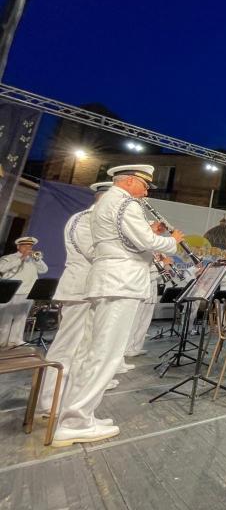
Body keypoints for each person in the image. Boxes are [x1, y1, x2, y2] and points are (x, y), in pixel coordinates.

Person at [53, 165, 182, 447]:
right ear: (131, 182)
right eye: (145, 186)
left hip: (107, 280)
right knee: (105, 353)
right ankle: (75, 421)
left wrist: (148, 233)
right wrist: (172, 241)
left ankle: (77, 414)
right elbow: (145, 243)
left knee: (91, 351)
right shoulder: (126, 203)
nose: (146, 191)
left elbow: (123, 241)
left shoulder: (106, 204)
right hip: (120, 282)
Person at [37, 182, 112, 414]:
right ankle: (49, 399)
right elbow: (96, 253)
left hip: (90, 288)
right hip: (81, 288)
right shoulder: (88, 219)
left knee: (84, 347)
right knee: (67, 346)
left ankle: (68, 397)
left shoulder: (92, 219)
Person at [0, 236, 48, 346]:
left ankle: (16, 341)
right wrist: (21, 258)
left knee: (21, 318)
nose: (28, 248)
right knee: (5, 319)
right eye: (25, 246)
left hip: (27, 292)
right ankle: (2, 342)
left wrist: (37, 259)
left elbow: (44, 270)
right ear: (18, 246)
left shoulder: (34, 259)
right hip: (11, 292)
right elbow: (2, 268)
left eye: (30, 246)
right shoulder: (9, 258)